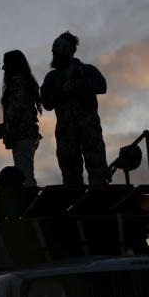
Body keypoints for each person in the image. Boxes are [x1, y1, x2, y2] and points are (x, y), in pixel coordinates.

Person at [40, 31, 109, 186]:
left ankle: (101, 204)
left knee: (98, 172)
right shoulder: (51, 78)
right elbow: (47, 102)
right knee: (70, 176)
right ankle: (76, 207)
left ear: (70, 48)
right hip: (66, 133)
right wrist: (62, 90)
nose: (53, 50)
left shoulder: (87, 70)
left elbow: (102, 86)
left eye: (57, 46)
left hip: (90, 130)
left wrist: (77, 85)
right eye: (53, 47)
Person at [0, 49, 42, 186]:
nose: (3, 68)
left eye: (5, 64)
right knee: (25, 172)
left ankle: (30, 202)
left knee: (24, 174)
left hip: (23, 135)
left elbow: (15, 110)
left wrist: (8, 133)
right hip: (27, 134)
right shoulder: (25, 81)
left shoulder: (18, 82)